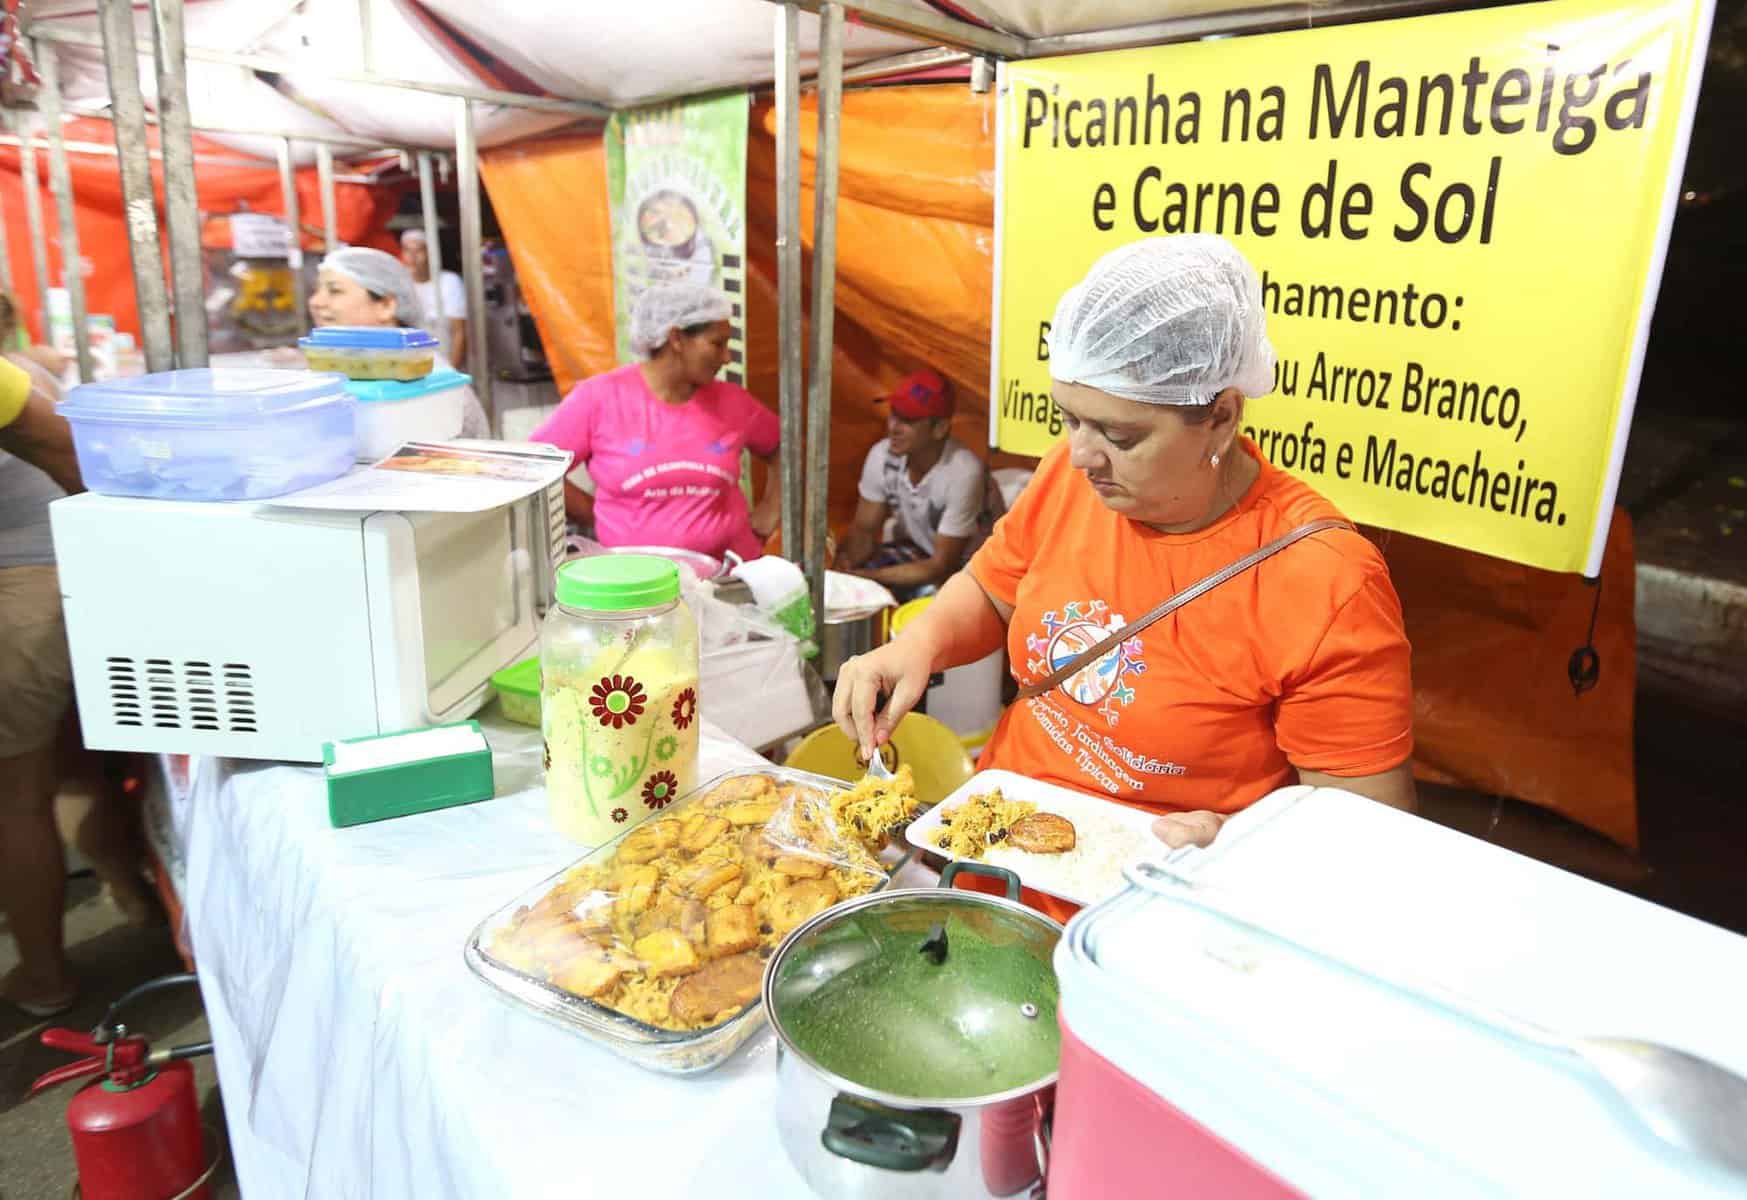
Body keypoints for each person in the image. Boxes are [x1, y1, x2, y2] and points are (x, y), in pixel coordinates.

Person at [834, 235, 1415, 875]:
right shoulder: (1073, 476)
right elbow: (994, 591)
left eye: (1120, 434)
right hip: (992, 856)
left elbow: (1366, 838)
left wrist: (1234, 840)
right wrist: (919, 647)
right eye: (1071, 419)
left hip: (1152, 900)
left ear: (1221, 417)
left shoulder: (1324, 581)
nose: (1082, 454)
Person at [0, 295, 155, 1015]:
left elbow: (64, 453)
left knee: (19, 794)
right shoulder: (23, 369)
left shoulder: (14, 380)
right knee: (67, 763)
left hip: (25, 586)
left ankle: (43, 977)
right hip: (53, 580)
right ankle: (132, 896)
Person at [531, 283, 780, 562]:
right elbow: (535, 466)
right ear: (676, 339)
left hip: (728, 578)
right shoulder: (599, 399)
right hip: (639, 584)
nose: (726, 357)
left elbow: (784, 447)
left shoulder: (733, 402)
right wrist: (596, 513)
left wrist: (770, 509)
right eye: (717, 344)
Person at [835, 368, 1004, 599]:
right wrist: (843, 569)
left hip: (973, 570)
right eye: (894, 413)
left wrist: (868, 578)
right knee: (851, 592)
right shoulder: (882, 455)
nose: (893, 427)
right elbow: (863, 531)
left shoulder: (963, 472)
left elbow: (941, 567)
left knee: (922, 607)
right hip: (919, 552)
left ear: (940, 429)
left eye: (908, 420)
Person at [306, 246, 490, 438]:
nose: (316, 301)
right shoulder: (343, 369)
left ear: (386, 306)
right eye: (316, 290)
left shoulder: (426, 378)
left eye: (334, 291)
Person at [399, 228, 466, 367]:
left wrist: (452, 373)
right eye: (407, 250)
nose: (412, 257)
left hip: (443, 361)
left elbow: (459, 332)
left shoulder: (449, 281)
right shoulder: (398, 282)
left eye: (418, 251)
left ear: (430, 253)